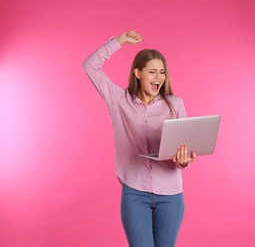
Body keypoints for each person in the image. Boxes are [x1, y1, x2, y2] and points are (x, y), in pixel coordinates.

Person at [83, 30, 196, 247]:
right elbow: (90, 66)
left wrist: (184, 161)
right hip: (135, 194)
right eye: (152, 72)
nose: (158, 77)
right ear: (138, 73)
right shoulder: (118, 100)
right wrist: (118, 42)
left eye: (161, 72)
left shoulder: (176, 104)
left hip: (170, 195)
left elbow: (183, 150)